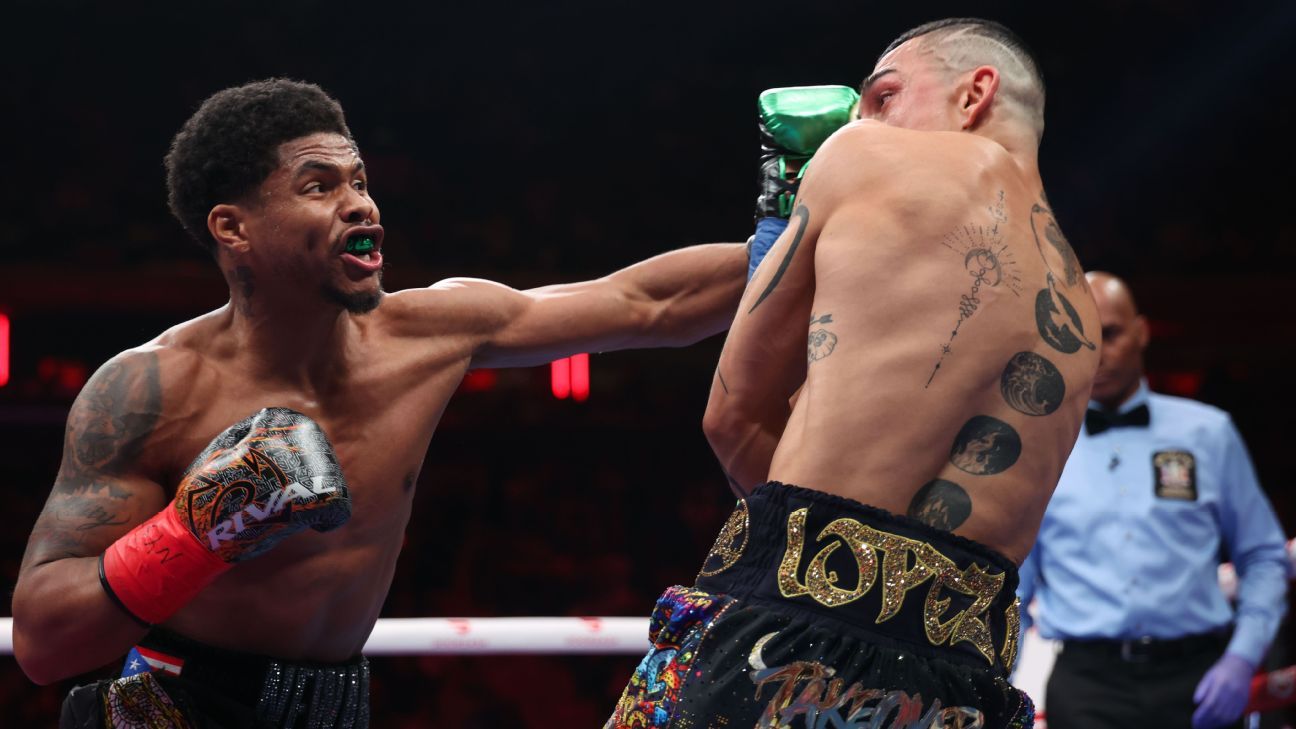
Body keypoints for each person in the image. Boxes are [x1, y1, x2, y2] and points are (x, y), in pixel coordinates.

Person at [11, 78, 748, 728]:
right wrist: (195, 529)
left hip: (339, 704)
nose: (359, 203)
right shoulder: (150, 391)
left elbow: (646, 303)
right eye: (318, 186)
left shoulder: (432, 333)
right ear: (233, 228)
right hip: (175, 706)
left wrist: (797, 229)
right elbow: (45, 643)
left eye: (359, 181)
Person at [608, 17, 1099, 729]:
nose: (861, 116)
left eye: (884, 95)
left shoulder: (864, 154)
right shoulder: (1082, 309)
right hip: (964, 683)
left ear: (975, 93)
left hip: (785, 637)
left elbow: (732, 416)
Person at [1016, 271, 1288, 729]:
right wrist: (999, 686)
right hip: (1086, 687)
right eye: (1079, 337)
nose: (1096, 352)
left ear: (1141, 331)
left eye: (1110, 334)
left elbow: (1263, 556)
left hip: (1198, 675)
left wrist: (1242, 658)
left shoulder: (1208, 433)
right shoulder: (1042, 447)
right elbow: (1014, 589)